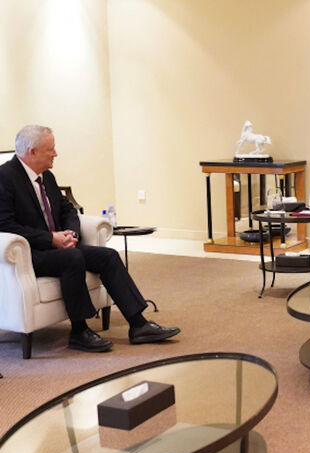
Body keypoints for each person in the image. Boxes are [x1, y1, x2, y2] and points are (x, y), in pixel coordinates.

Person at [0, 125, 179, 353]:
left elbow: (69, 210)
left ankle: (139, 324)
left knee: (108, 256)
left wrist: (71, 234)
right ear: (32, 152)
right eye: (50, 149)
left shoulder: (47, 177)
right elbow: (5, 226)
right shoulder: (4, 178)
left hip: (57, 247)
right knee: (72, 258)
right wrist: (50, 239)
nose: (56, 154)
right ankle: (79, 331)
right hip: (30, 254)